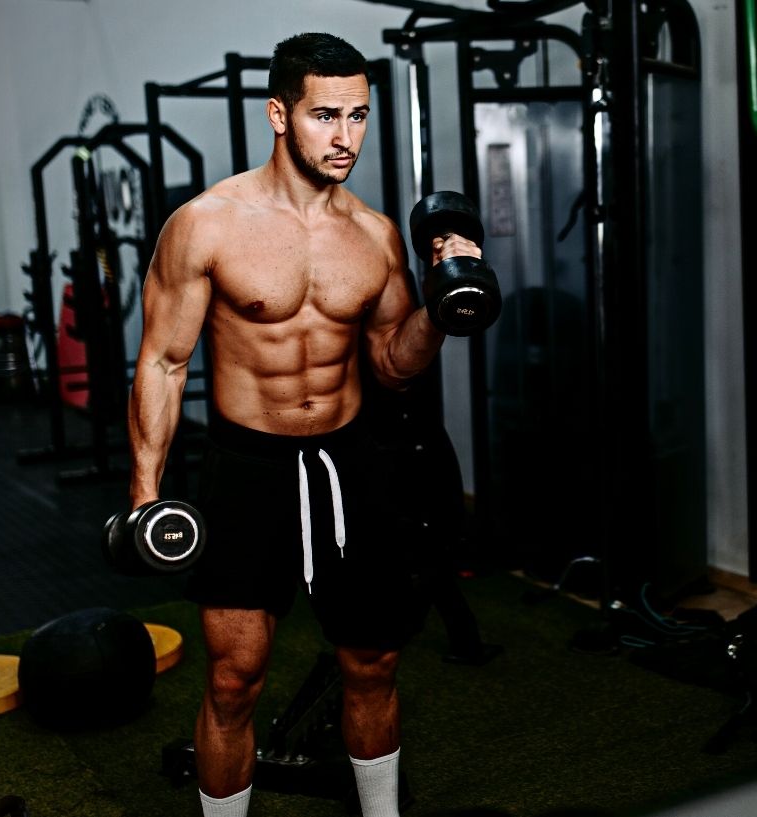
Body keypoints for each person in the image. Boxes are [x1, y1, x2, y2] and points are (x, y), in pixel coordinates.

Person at [127, 32, 479, 817]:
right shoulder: (208, 224)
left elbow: (393, 363)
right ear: (279, 114)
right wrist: (145, 492)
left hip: (350, 463)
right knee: (231, 675)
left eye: (358, 116)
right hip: (247, 465)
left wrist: (442, 304)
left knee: (373, 658)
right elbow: (161, 362)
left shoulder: (376, 234)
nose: (346, 136)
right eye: (326, 116)